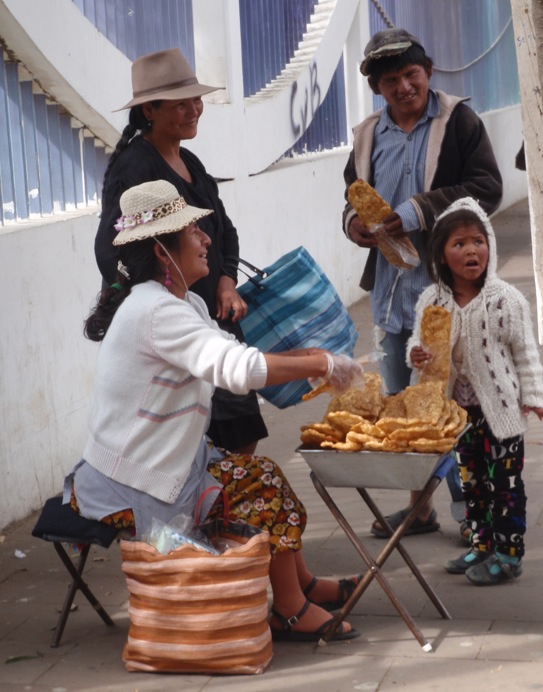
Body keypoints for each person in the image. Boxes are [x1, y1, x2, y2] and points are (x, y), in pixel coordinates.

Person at [65, 179, 364, 641]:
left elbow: (229, 351)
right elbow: (236, 370)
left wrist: (307, 356)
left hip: (167, 462)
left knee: (263, 474)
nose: (207, 239)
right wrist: (319, 364)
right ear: (162, 252)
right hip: (133, 480)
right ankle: (289, 609)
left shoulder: (183, 303)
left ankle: (301, 585)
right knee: (263, 486)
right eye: (193, 232)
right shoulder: (155, 313)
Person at [342, 28, 503, 538]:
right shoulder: (368, 134)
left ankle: (473, 512)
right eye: (391, 81)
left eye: (411, 75)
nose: (404, 87)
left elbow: (487, 189)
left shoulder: (458, 122)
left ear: (428, 72)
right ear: (377, 87)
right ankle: (422, 509)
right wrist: (353, 223)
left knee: (453, 404)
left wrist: (417, 211)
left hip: (445, 294)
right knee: (406, 408)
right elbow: (353, 192)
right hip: (391, 296)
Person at [94, 48, 265, 455]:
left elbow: (224, 230)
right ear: (149, 110)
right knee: (200, 441)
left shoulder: (189, 160)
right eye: (180, 104)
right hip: (178, 330)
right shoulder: (136, 169)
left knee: (242, 432)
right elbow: (110, 249)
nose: (194, 111)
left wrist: (226, 281)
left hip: (213, 317)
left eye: (196, 100)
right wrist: (169, 300)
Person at [407, 197, 543, 584]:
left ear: (490, 246)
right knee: (472, 483)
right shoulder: (432, 300)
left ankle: (508, 555)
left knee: (505, 485)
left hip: (501, 411)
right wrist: (415, 353)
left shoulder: (506, 300)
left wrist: (534, 397)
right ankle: (482, 545)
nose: (471, 250)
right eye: (460, 243)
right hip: (459, 414)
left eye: (478, 241)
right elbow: (419, 341)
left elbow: (526, 353)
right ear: (441, 254)